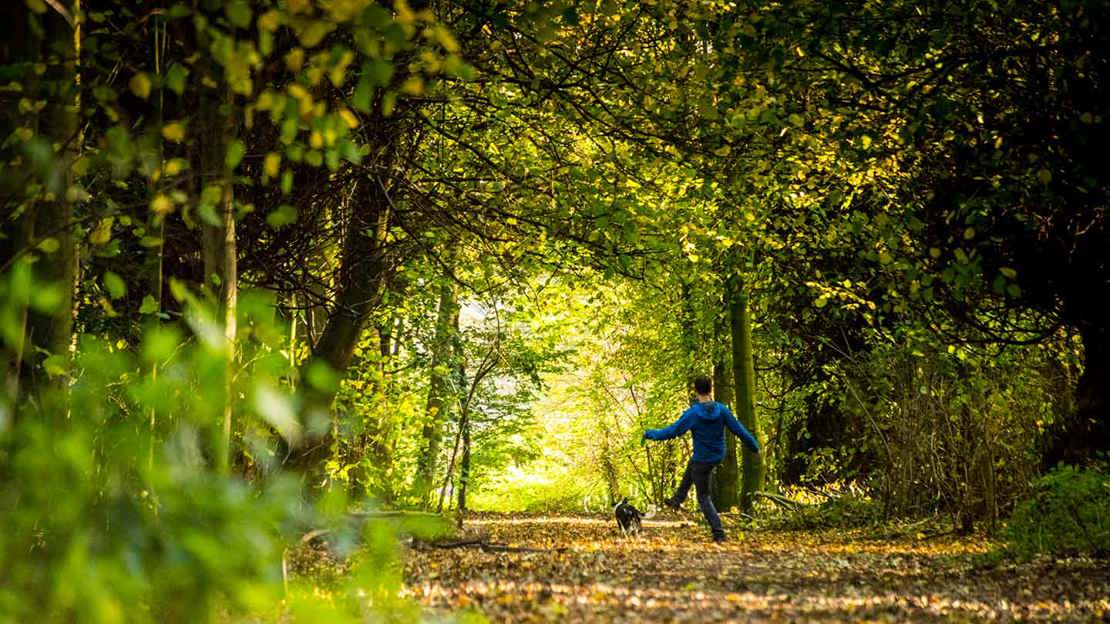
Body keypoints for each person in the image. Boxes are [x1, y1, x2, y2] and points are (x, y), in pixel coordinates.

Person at [642, 375, 760, 543]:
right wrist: (754, 446)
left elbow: (672, 431)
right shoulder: (722, 410)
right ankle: (677, 499)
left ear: (696, 390)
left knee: (703, 496)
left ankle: (718, 533)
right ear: (710, 389)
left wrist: (650, 434)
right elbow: (739, 430)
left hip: (703, 458)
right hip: (717, 455)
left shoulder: (693, 413)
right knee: (693, 464)